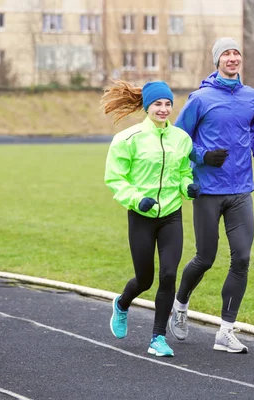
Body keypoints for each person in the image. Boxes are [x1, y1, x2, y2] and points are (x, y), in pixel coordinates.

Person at [169, 37, 254, 354]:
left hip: (241, 189)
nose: (232, 57)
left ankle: (225, 331)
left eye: (236, 52)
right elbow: (178, 138)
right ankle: (180, 305)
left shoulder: (252, 97)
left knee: (241, 257)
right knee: (206, 258)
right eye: (226, 53)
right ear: (217, 61)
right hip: (209, 191)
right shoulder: (200, 98)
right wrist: (201, 156)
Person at [101, 80, 200, 357]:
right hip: (141, 216)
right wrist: (137, 200)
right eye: (158, 103)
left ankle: (158, 338)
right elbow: (115, 178)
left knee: (168, 275)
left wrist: (187, 188)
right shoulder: (127, 139)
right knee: (144, 279)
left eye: (168, 104)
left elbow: (183, 173)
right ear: (147, 107)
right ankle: (122, 304)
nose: (164, 109)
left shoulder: (181, 138)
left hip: (171, 215)